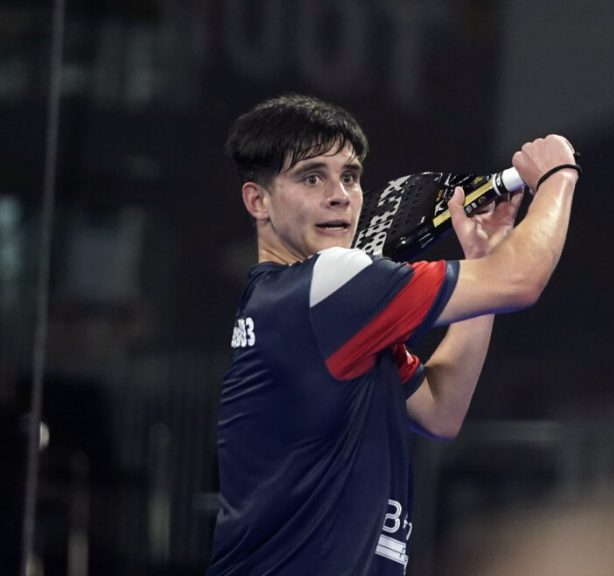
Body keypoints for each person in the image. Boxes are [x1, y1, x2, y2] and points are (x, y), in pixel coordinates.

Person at [207, 93, 579, 575]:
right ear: (258, 200)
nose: (340, 194)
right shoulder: (329, 285)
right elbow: (519, 279)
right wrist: (558, 177)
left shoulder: (307, 308)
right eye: (312, 176)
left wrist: (483, 257)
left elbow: (439, 411)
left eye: (350, 176)